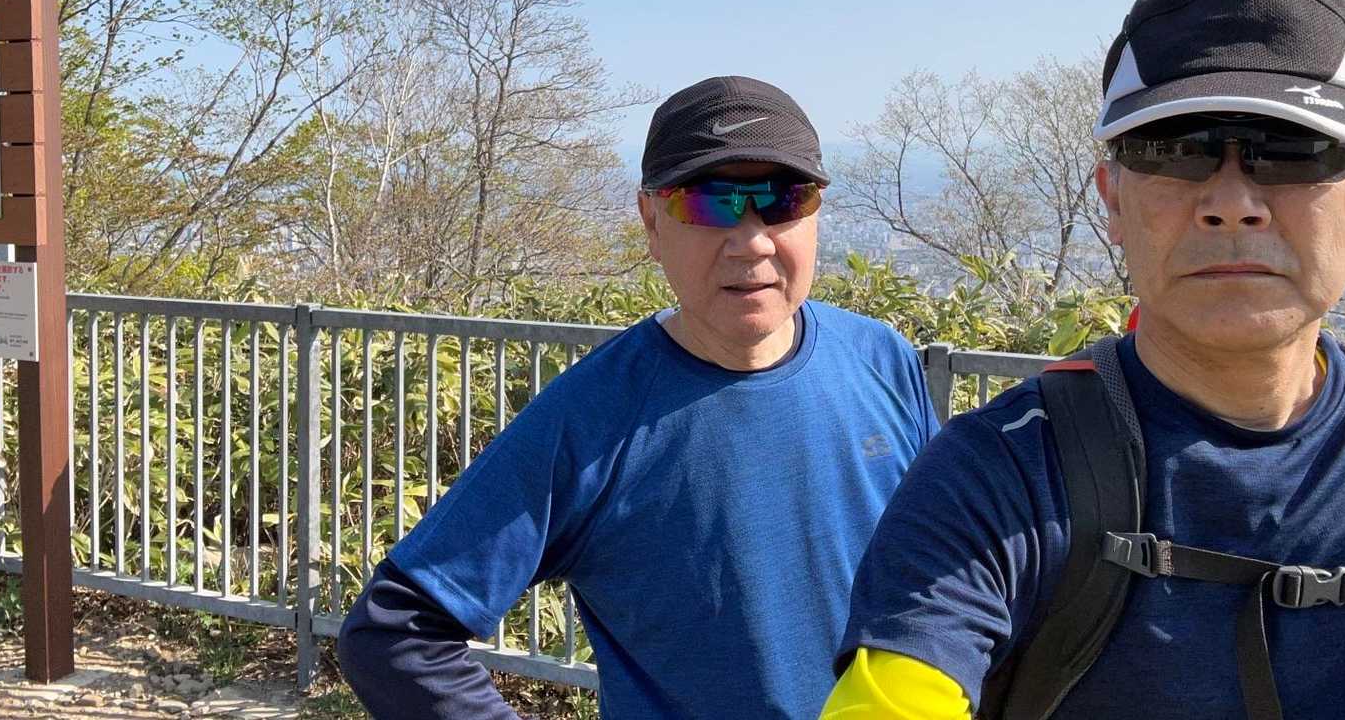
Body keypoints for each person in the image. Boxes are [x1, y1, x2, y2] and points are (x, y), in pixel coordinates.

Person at [822, 0, 1345, 719]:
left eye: (1293, 151)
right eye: (1177, 151)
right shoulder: (1002, 476)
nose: (1231, 203)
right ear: (1112, 201)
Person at [338, 75, 942, 719]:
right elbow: (395, 632)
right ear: (652, 221)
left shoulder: (881, 358)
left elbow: (953, 566)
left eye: (784, 199)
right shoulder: (593, 417)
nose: (752, 240)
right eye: (708, 203)